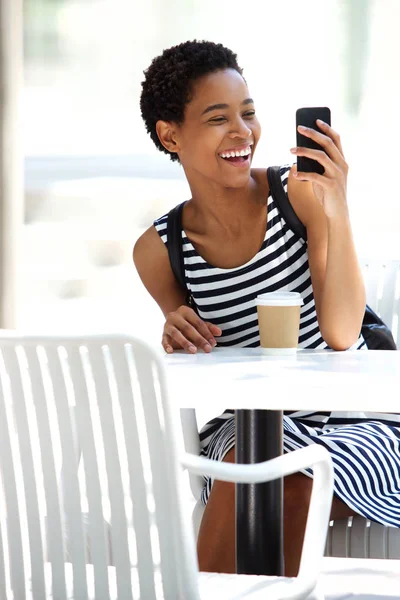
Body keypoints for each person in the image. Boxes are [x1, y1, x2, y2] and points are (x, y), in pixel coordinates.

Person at [134, 40, 400, 576]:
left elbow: (344, 332)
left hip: (352, 425)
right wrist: (178, 328)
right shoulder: (160, 251)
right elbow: (190, 343)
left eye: (249, 114)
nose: (243, 133)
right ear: (171, 135)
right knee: (256, 463)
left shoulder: (296, 195)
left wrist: (335, 207)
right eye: (218, 118)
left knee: (291, 470)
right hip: (249, 427)